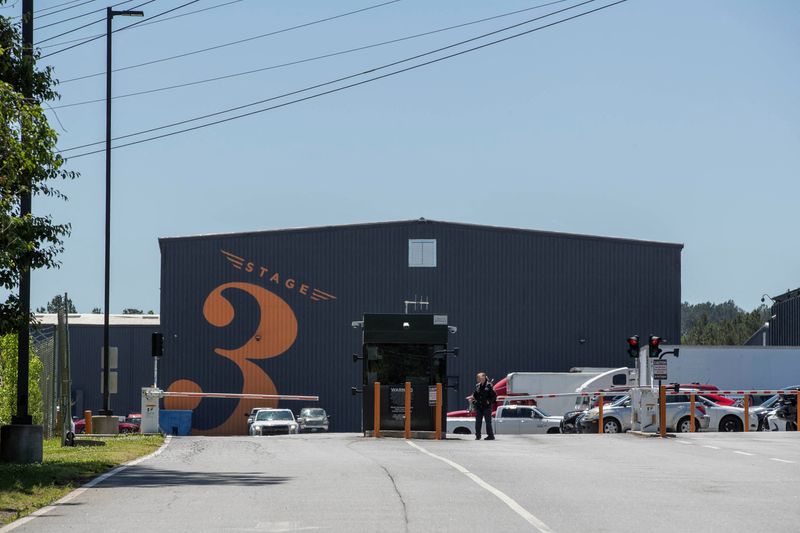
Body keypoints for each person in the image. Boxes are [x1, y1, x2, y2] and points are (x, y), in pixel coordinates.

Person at [471, 372, 496, 440]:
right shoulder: (477, 386)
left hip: (486, 407)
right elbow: (475, 395)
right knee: (478, 422)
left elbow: (494, 396)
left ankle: (491, 436)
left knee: (488, 422)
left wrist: (489, 401)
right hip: (479, 406)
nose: (478, 379)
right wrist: (473, 399)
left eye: (480, 378)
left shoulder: (489, 386)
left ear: (484, 378)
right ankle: (478, 435)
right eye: (478, 378)